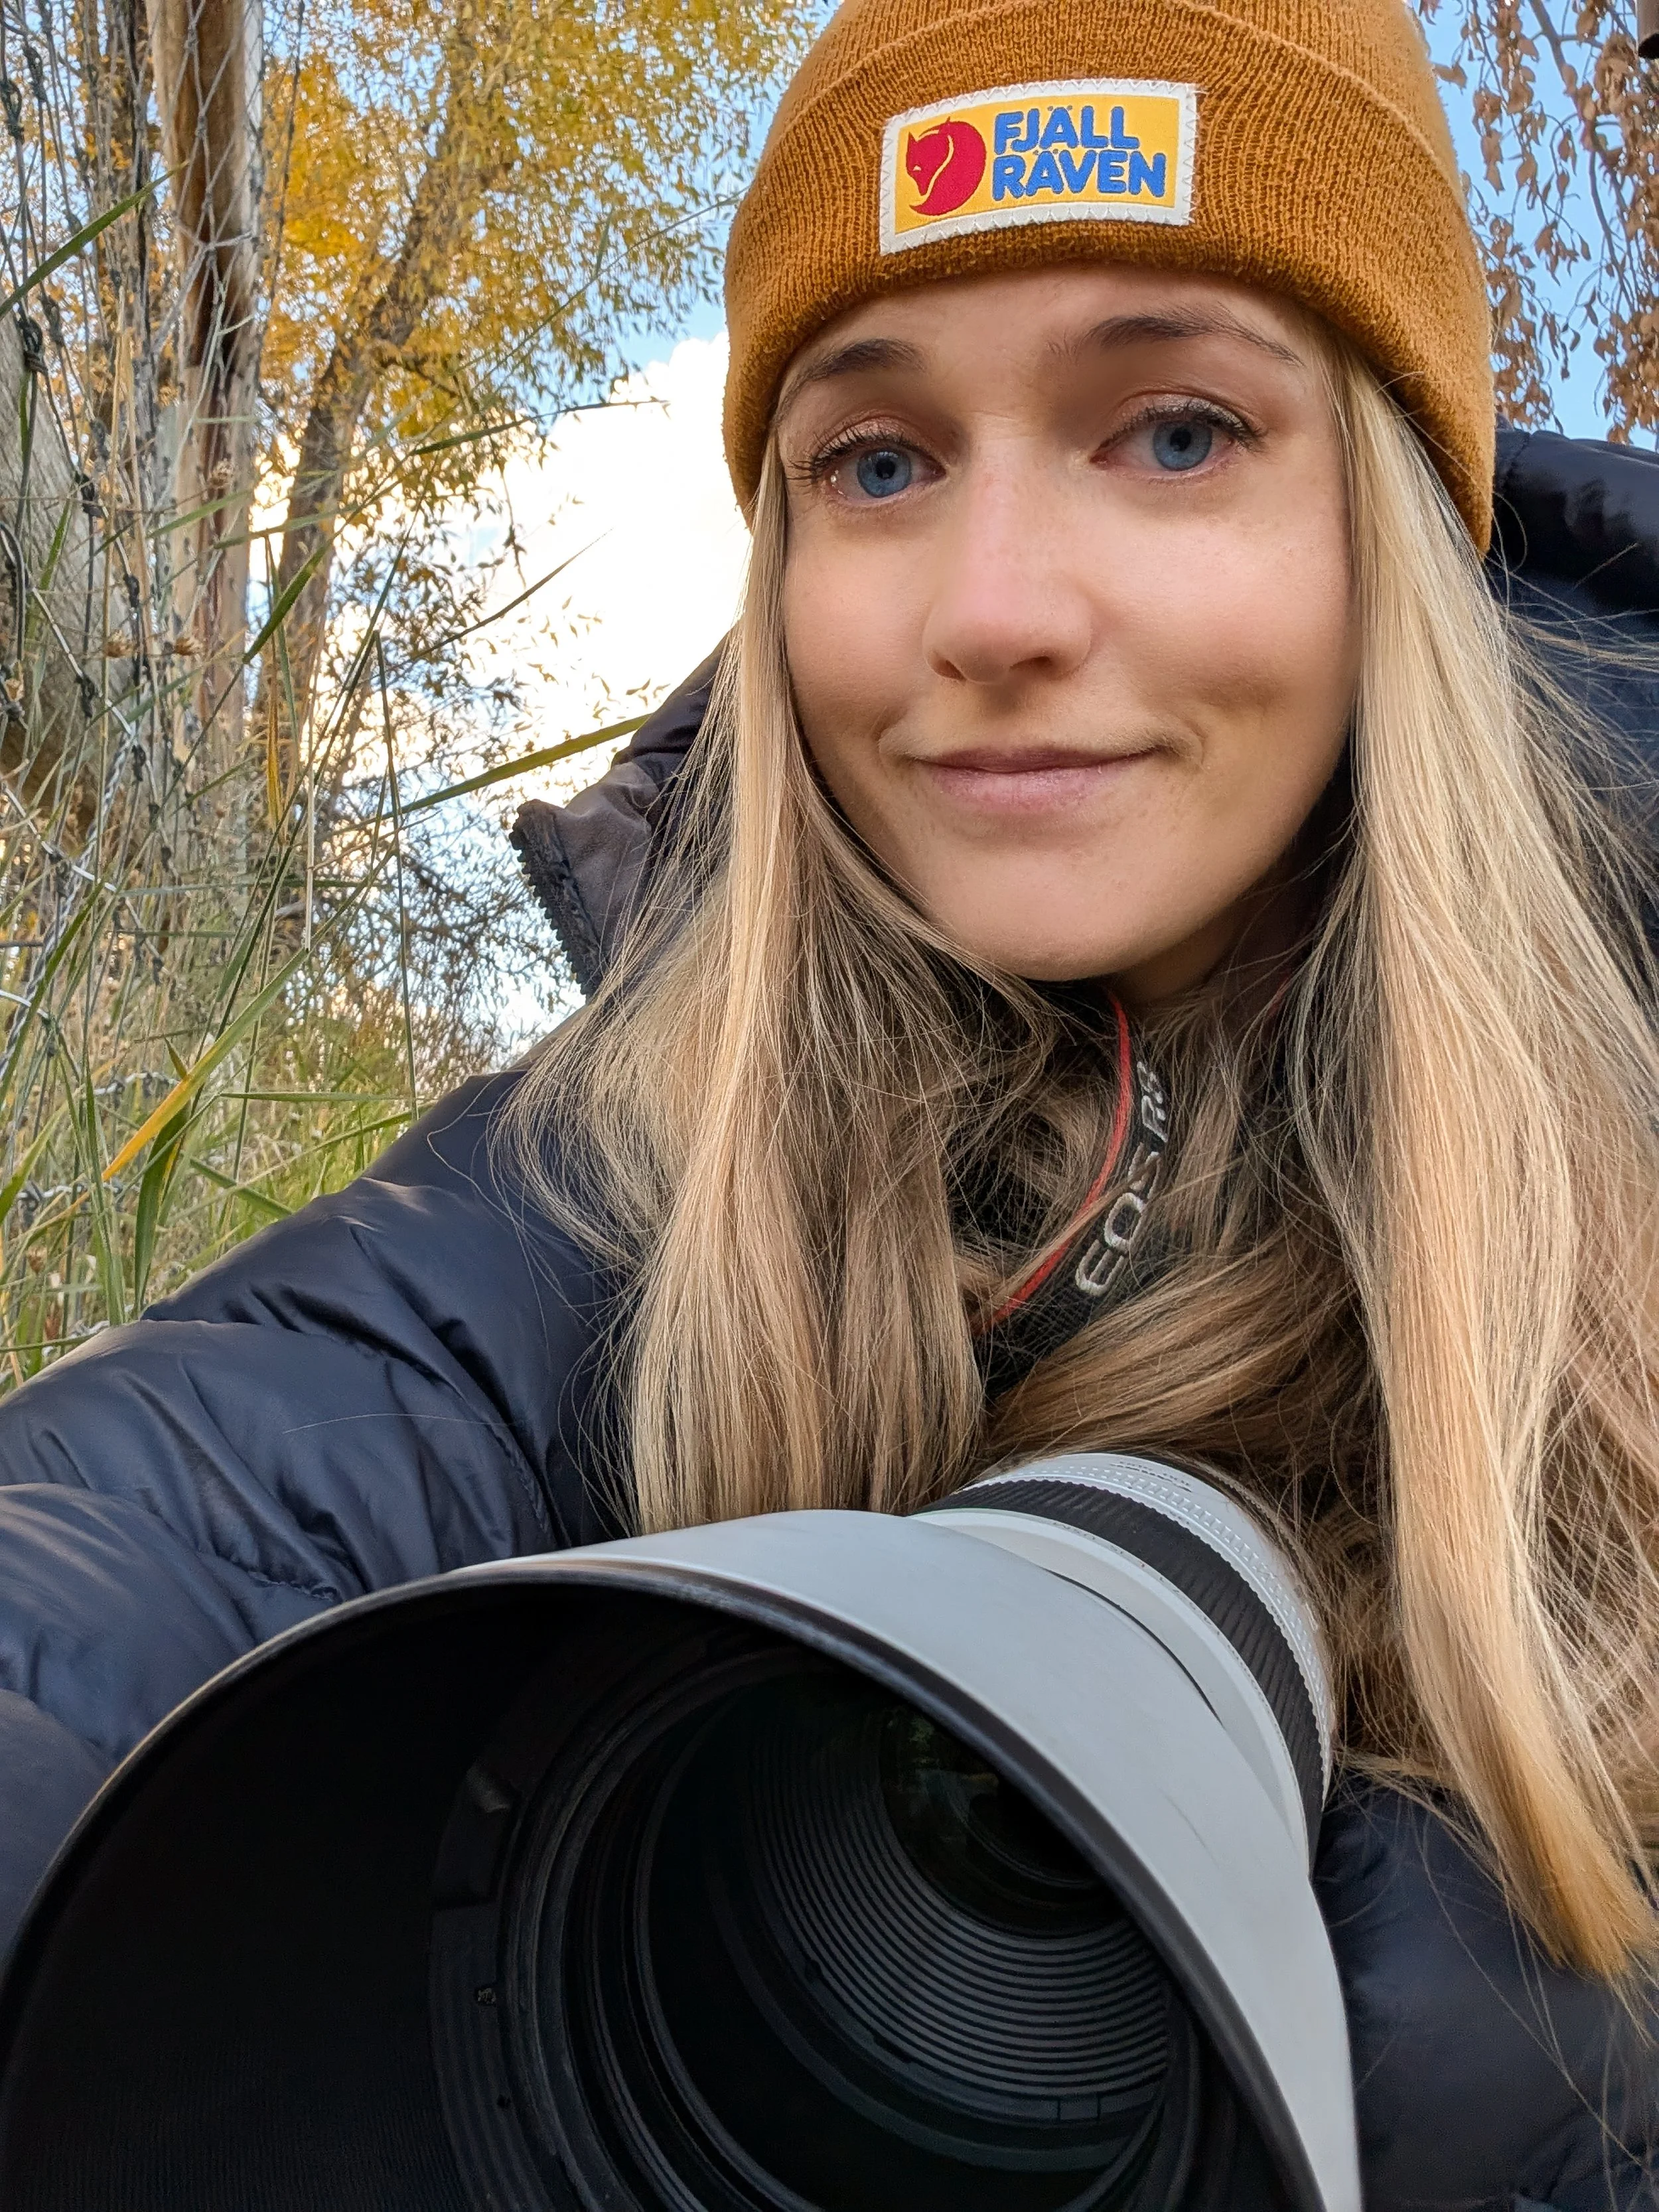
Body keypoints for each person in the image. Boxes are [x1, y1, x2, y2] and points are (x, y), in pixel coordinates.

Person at [1, 0, 1658, 2199]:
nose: (992, 608)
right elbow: (186, 1509)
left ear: (1388, 526)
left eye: (1172, 431)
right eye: (877, 463)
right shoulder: (640, 1139)